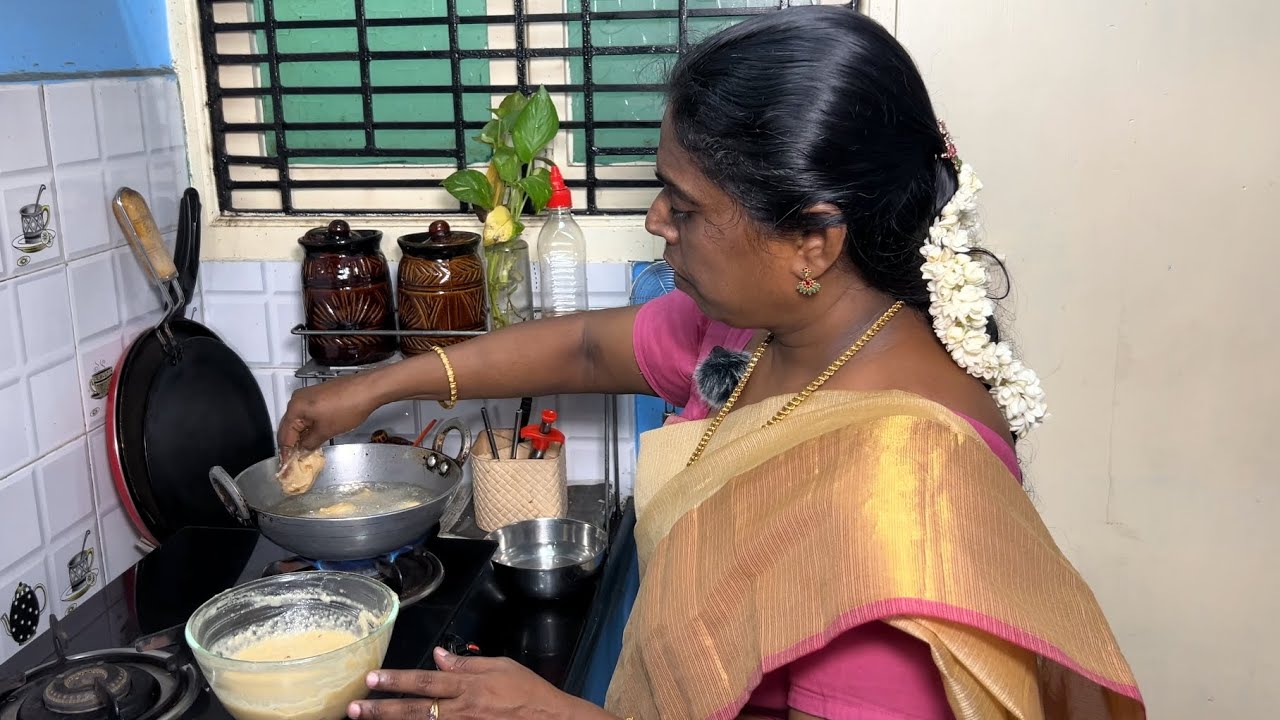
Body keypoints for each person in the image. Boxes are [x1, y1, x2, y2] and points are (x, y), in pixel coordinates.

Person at [279, 6, 1145, 719]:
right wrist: (378, 384)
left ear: (812, 239)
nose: (657, 220)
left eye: (685, 206)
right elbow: (585, 347)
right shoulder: (763, 332)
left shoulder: (901, 495)